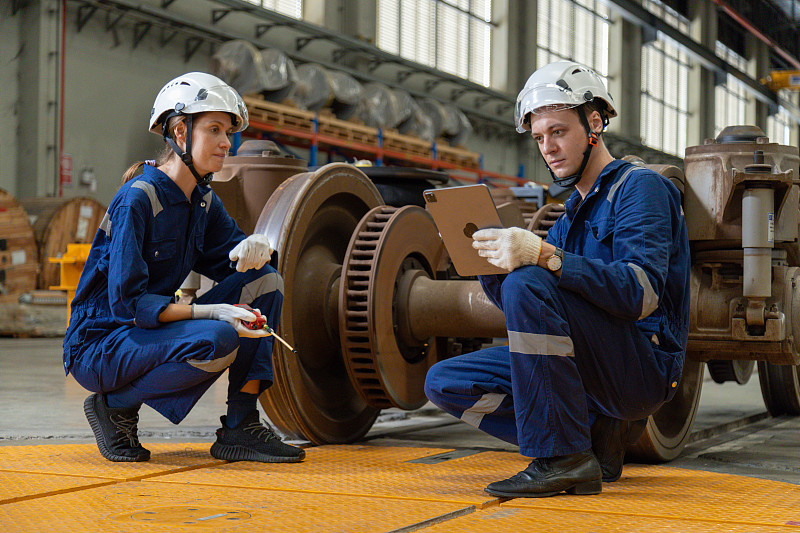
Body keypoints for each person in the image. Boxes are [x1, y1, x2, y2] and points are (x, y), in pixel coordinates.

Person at [424, 60, 689, 497]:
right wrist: (485, 259)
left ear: (595, 124)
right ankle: (587, 439)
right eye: (539, 137)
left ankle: (561, 457)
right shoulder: (573, 212)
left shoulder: (640, 188)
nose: (548, 146)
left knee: (530, 281)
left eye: (559, 131)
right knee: (447, 383)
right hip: (591, 368)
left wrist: (542, 254)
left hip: (642, 365)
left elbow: (639, 295)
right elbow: (522, 301)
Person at [62, 72, 305, 464]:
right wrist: (212, 310)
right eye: (214, 129)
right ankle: (115, 406)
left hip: (144, 336)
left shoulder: (204, 203)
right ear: (179, 132)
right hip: (100, 344)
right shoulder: (137, 200)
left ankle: (240, 426)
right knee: (217, 338)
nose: (227, 142)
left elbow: (241, 268)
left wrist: (259, 247)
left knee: (266, 282)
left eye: (228, 131)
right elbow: (129, 307)